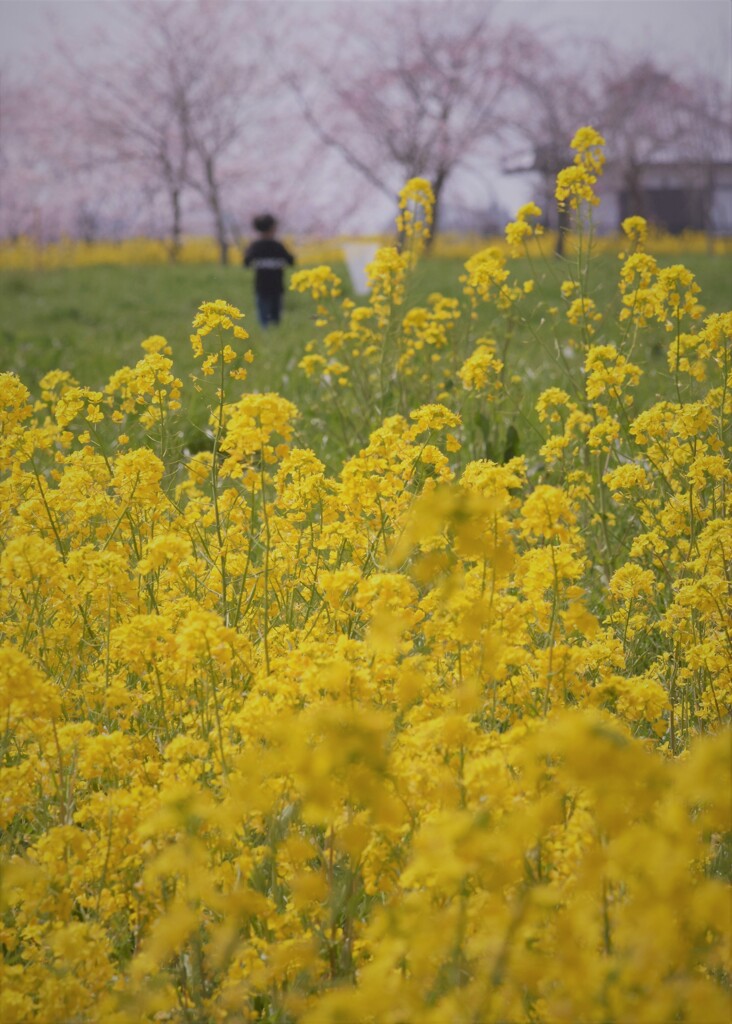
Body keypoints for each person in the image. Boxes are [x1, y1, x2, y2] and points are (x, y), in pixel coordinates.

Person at [243, 214, 295, 327]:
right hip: (277, 286)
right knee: (276, 316)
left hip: (261, 287)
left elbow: (246, 262)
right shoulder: (277, 245)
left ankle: (266, 332)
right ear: (272, 228)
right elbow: (291, 260)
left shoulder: (255, 246)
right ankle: (275, 332)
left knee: (263, 317)